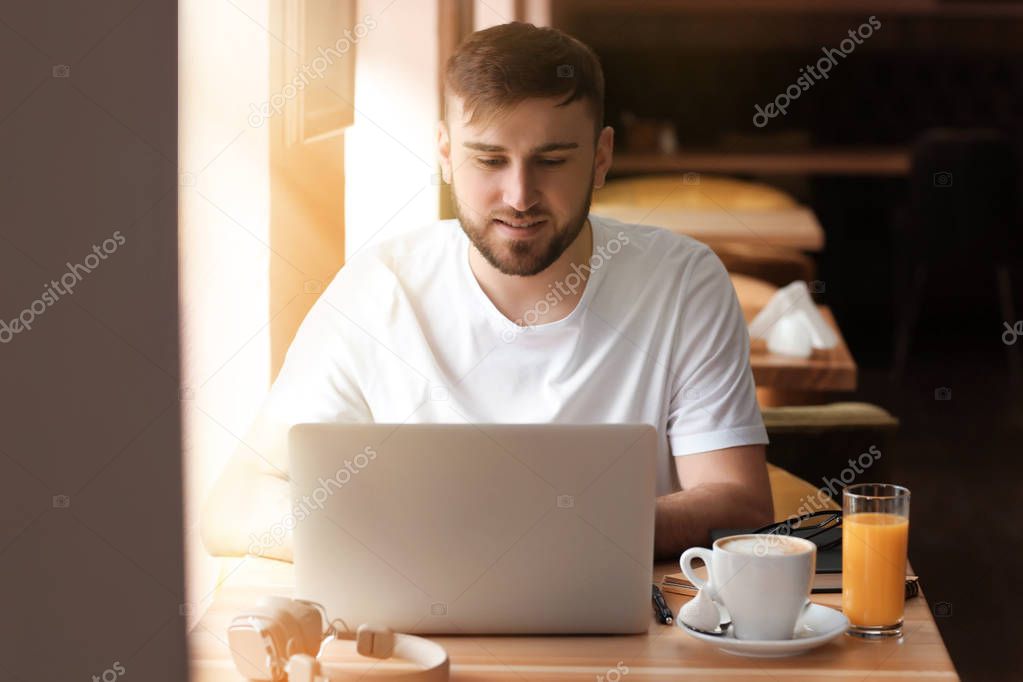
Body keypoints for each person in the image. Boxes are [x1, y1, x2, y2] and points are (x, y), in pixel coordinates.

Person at [201, 22, 772, 564]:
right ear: (446, 154)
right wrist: (401, 540)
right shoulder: (380, 287)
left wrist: (544, 537)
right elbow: (234, 506)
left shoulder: (682, 280)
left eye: (551, 160)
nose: (519, 195)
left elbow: (739, 502)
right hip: (424, 633)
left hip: (624, 634)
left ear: (600, 159)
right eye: (489, 160)